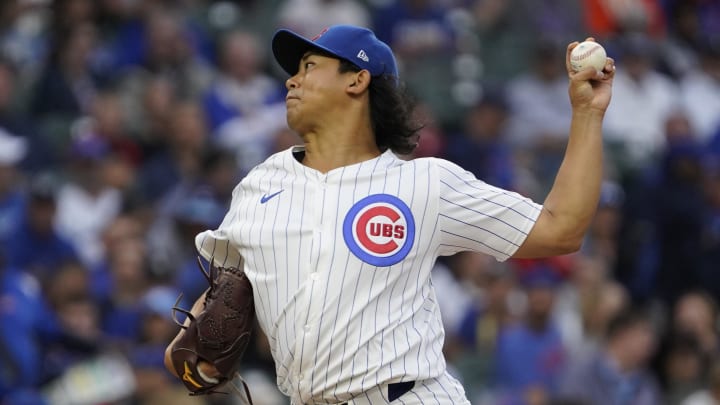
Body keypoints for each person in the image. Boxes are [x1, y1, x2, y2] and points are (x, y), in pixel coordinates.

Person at [165, 24, 615, 404]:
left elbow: (561, 229)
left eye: (308, 67)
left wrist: (587, 114)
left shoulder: (424, 184)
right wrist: (190, 356)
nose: (290, 81)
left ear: (356, 81)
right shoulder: (258, 187)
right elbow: (226, 289)